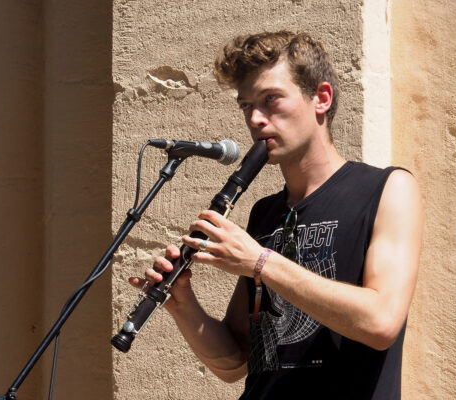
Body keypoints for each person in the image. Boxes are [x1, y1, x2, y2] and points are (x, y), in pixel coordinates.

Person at [129, 31, 423, 399]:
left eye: (271, 100)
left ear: (321, 98)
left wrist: (260, 262)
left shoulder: (387, 189)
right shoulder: (265, 213)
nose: (256, 118)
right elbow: (235, 363)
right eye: (246, 105)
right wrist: (183, 305)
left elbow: (381, 322)